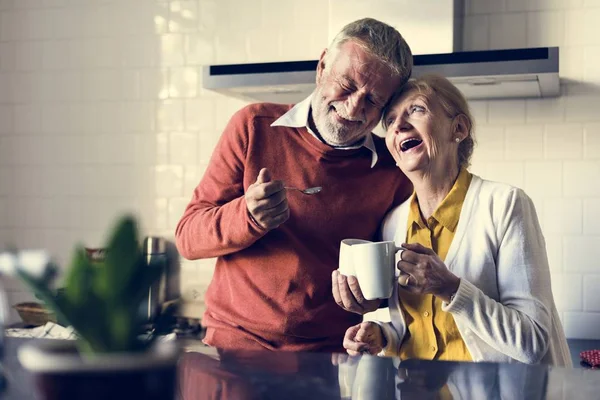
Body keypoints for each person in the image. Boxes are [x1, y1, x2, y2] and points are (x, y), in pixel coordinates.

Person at [175, 18, 414, 352]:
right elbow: (188, 238)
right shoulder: (253, 126)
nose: (353, 107)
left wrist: (368, 303)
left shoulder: (394, 173)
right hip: (233, 352)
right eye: (346, 85)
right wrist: (247, 216)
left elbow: (389, 294)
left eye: (373, 100)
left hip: (328, 361)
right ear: (321, 68)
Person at [336, 74, 571, 366]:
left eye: (417, 110)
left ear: (458, 128)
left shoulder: (505, 205)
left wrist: (451, 288)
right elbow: (415, 324)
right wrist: (382, 334)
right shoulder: (394, 222)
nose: (399, 126)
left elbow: (531, 341)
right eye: (391, 121)